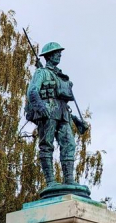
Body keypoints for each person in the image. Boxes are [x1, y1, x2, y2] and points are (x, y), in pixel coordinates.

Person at [25, 42, 88, 187]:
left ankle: (69, 180)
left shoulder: (60, 75)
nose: (59, 55)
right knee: (46, 145)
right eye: (56, 53)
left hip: (63, 113)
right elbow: (32, 91)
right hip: (48, 111)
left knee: (69, 144)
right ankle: (51, 182)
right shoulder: (42, 72)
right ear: (49, 56)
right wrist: (41, 108)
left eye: (59, 53)